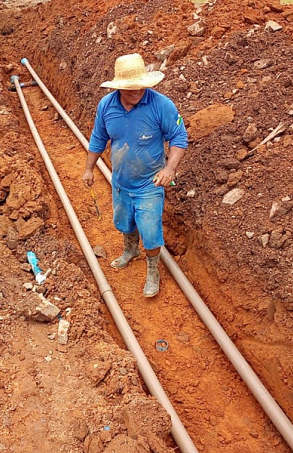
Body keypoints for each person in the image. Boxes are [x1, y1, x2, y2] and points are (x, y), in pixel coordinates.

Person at [82, 53, 188, 298]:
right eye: (131, 89)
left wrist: (169, 168)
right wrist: (89, 168)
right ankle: (130, 250)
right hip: (120, 181)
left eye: (141, 87)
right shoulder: (107, 106)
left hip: (150, 183)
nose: (137, 92)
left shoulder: (162, 106)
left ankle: (153, 271)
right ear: (119, 87)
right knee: (124, 222)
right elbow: (98, 138)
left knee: (150, 232)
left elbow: (179, 138)